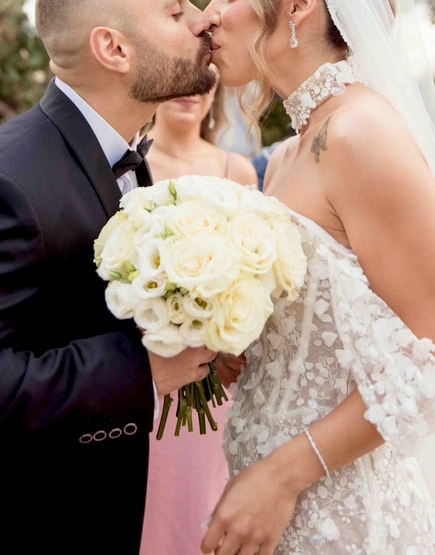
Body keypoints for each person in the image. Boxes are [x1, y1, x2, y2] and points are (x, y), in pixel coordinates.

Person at [200, 0, 435, 554]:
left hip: (340, 516)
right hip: (265, 492)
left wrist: (282, 478)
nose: (208, 17)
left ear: (299, 3)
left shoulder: (361, 133)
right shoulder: (288, 153)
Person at [0, 0, 219, 555]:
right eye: (177, 10)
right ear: (114, 49)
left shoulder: (120, 157)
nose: (203, 20)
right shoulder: (1, 185)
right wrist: (142, 370)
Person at [139, 71, 257, 555]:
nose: (192, 92)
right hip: (145, 369)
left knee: (202, 505)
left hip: (214, 378)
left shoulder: (239, 172)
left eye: (205, 83)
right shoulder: (131, 163)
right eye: (184, 81)